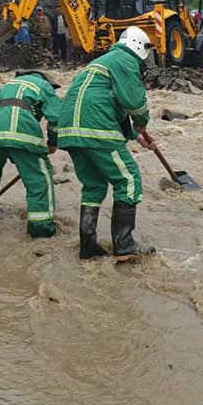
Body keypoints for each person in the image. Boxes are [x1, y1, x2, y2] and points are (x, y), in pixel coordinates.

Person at [58, 26, 157, 261]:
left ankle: (88, 246)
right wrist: (142, 122)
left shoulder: (102, 61)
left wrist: (136, 135)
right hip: (96, 127)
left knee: (93, 185)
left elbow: (110, 102)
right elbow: (133, 100)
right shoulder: (125, 59)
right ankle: (124, 248)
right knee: (129, 179)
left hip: (71, 129)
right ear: (139, 48)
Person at [0, 70, 63, 238]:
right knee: (40, 177)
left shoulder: (8, 85)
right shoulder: (44, 86)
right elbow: (56, 119)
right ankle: (41, 227)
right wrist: (53, 142)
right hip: (18, 126)